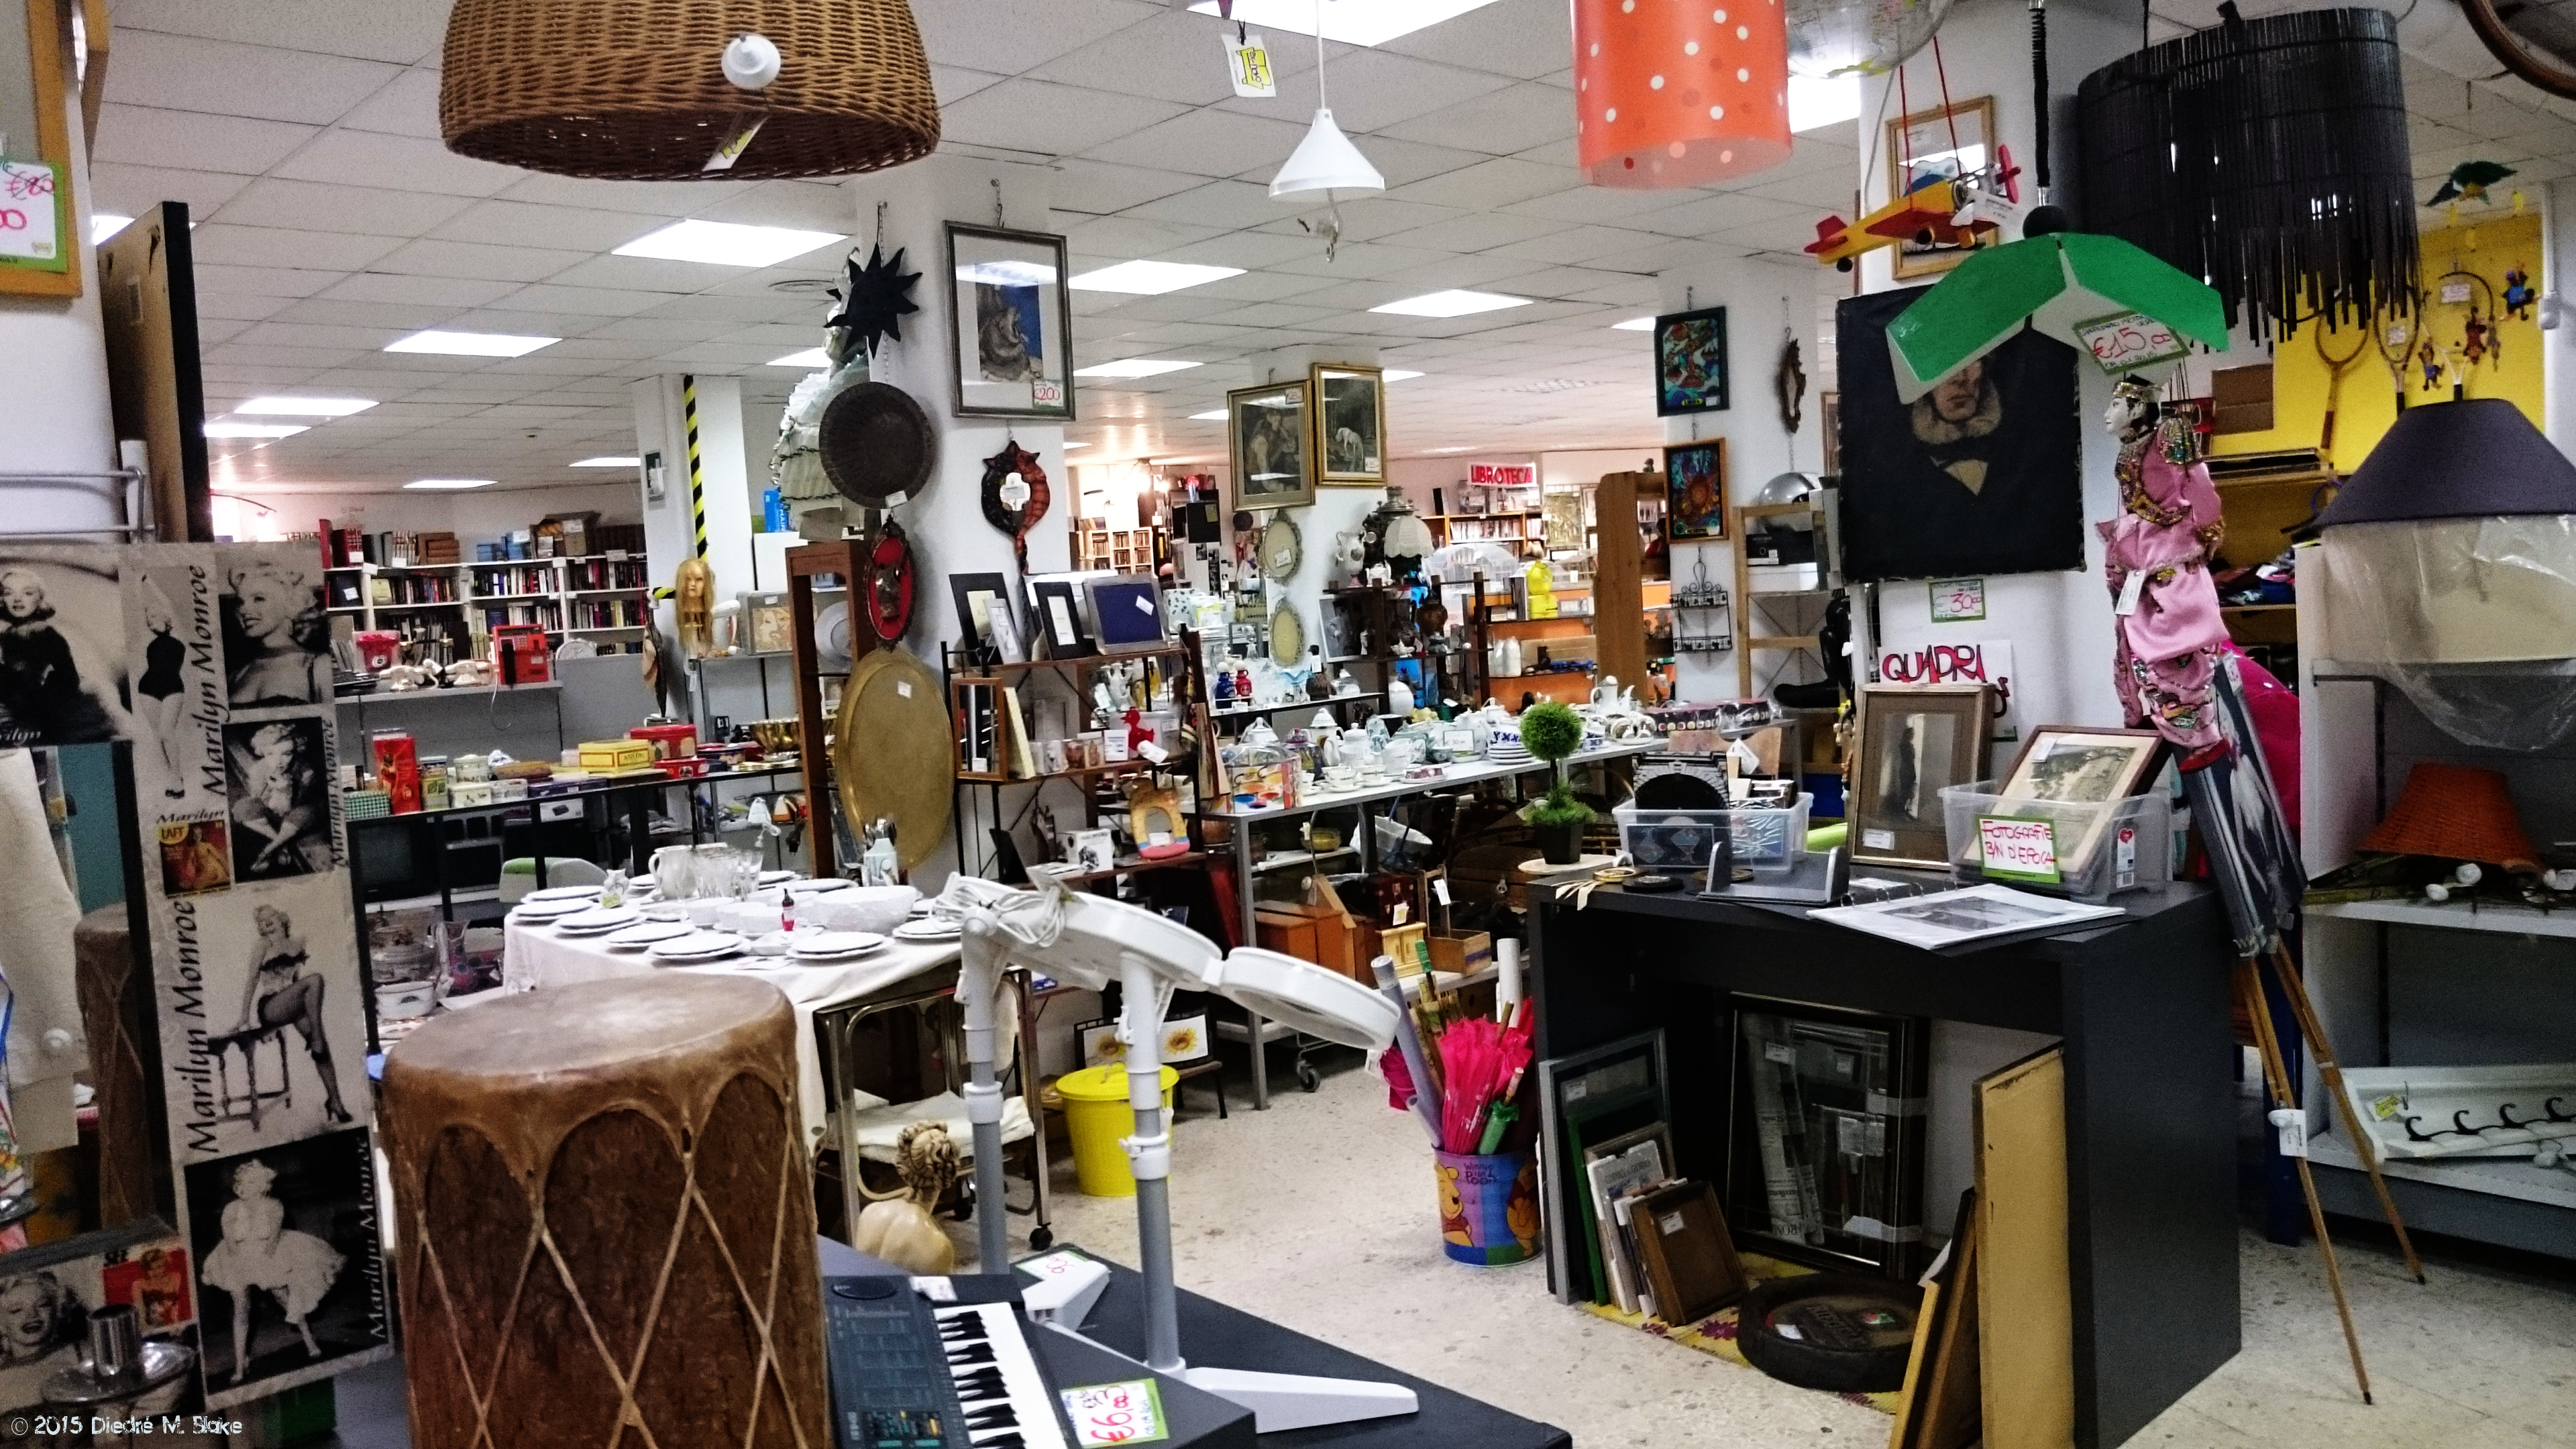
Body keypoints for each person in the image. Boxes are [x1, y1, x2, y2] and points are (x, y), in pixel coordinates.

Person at [201, 1157, 343, 1383]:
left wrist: (264, 1274)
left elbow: (273, 1242)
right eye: (241, 1183)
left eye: (250, 1183)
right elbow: (230, 1244)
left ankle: (309, 1339)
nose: (243, 1187)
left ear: (262, 1186)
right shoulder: (231, 1210)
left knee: (283, 1297)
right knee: (241, 1308)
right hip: (237, 1259)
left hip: (269, 1255)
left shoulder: (273, 1206)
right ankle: (240, 1365)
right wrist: (243, 1274)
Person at [225, 905, 353, 1128]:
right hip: (271, 1006)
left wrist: (302, 1005)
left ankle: (335, 1101)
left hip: (290, 1004)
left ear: (281, 918)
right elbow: (252, 979)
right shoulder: (263, 945)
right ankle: (317, 1037)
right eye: (261, 921)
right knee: (316, 980)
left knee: (322, 1049)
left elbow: (297, 983)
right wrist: (244, 1016)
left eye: (269, 917)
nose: (265, 922)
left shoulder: (297, 944)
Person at [0, 570, 116, 744]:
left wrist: (36, 712)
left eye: (28, 593)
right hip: (22, 703)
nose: (17, 599)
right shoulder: (7, 635)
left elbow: (68, 679)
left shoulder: (46, 633)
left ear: (40, 599)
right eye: (9, 593)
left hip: (51, 709)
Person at [226, 559, 328, 708]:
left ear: (288, 604)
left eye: (258, 599)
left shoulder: (316, 666)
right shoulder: (237, 675)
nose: (243, 609)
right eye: (240, 602)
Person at [230, 723, 327, 877]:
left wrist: (284, 789)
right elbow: (259, 800)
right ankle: (282, 844)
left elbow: (289, 809)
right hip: (272, 807)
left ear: (295, 752)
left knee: (303, 814)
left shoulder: (306, 772)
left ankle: (268, 851)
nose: (279, 761)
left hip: (298, 810)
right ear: (262, 752)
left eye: (286, 754)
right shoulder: (258, 771)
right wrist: (271, 790)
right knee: (243, 808)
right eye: (271, 754)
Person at [138, 579, 190, 798]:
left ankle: (177, 779)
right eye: (148, 620)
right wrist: (138, 590)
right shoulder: (149, 639)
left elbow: (167, 603)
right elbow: (141, 607)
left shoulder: (178, 634)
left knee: (167, 732)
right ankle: (172, 777)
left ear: (165, 617)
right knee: (158, 736)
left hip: (172, 688)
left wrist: (147, 582)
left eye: (154, 617)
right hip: (147, 689)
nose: (151, 622)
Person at [0, 1273, 82, 1369]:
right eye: (16, 1310)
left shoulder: (80, 1352)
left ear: (58, 1311)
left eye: (42, 1305)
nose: (32, 1315)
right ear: (1, 1324)